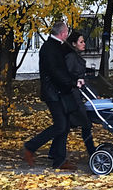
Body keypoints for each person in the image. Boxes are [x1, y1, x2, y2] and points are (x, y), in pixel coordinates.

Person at [22, 21, 83, 170]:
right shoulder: (51, 49)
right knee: (61, 125)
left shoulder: (55, 46)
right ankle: (31, 147)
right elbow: (57, 73)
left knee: (65, 124)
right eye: (67, 32)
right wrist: (73, 83)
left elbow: (63, 69)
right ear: (62, 34)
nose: (67, 35)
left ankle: (58, 158)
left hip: (58, 92)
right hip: (53, 93)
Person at [64, 31, 97, 159]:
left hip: (76, 94)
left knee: (64, 126)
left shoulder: (75, 57)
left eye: (84, 41)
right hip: (73, 96)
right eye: (81, 42)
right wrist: (76, 81)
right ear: (74, 44)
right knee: (85, 123)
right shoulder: (71, 58)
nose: (84, 44)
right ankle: (92, 151)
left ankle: (54, 152)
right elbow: (69, 75)